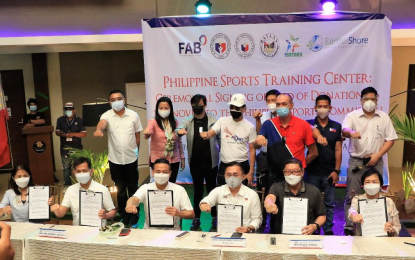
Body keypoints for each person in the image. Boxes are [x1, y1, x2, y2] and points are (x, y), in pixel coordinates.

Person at [342, 86, 398, 236]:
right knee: (351, 195)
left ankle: (377, 224)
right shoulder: (352, 116)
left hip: (376, 160)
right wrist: (352, 133)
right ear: (361, 100)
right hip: (356, 161)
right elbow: (344, 130)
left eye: (373, 99)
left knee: (376, 193)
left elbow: (390, 139)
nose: (369, 102)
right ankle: (349, 226)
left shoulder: (383, 117)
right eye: (366, 99)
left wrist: (377, 155)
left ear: (377, 99)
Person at [94, 89, 142, 227]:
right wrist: (98, 130)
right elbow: (102, 124)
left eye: (119, 99)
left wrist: (136, 151)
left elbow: (137, 137)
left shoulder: (133, 115)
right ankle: (124, 217)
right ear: (109, 102)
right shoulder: (106, 115)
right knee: (120, 190)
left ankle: (134, 216)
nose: (116, 102)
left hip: (131, 158)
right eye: (113, 100)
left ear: (124, 99)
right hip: (115, 160)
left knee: (133, 188)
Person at [176, 94, 220, 231]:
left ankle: (215, 219)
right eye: (194, 105)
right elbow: (179, 129)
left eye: (200, 104)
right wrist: (180, 131)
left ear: (205, 105)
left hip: (211, 163)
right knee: (197, 192)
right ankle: (196, 219)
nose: (197, 107)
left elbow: (219, 135)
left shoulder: (213, 120)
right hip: (195, 164)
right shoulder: (189, 121)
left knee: (212, 191)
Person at [256, 94, 318, 183]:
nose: (281, 107)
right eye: (278, 104)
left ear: (291, 105)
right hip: (274, 176)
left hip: (296, 175)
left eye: (284, 104)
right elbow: (256, 146)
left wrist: (299, 167)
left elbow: (314, 153)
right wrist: (258, 139)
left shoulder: (303, 125)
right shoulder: (268, 124)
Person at [305, 95, 342, 235]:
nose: (322, 109)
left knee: (329, 204)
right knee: (311, 203)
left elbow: (338, 150)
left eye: (325, 106)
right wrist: (318, 135)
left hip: (329, 173)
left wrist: (336, 171)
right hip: (311, 172)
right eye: (319, 106)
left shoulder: (336, 126)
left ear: (330, 108)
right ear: (315, 108)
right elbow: (307, 128)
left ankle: (327, 231)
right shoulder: (308, 123)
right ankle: (312, 230)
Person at [201, 93, 256, 187]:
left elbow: (252, 150)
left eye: (237, 107)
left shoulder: (250, 126)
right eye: (231, 107)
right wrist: (206, 134)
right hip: (224, 165)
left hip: (242, 165)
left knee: (242, 195)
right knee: (222, 194)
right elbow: (211, 133)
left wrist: (251, 172)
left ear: (244, 109)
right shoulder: (222, 121)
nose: (233, 110)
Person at [125, 159, 194, 230]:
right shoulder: (145, 188)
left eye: (165, 172)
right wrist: (129, 204)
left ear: (170, 173)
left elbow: (191, 214)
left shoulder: (179, 190)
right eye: (158, 172)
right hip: (149, 232)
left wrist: (178, 213)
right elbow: (134, 199)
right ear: (153, 172)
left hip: (172, 233)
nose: (161, 174)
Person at [264, 158, 326, 234]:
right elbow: (270, 197)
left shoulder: (313, 191)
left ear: (302, 172)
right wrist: (270, 204)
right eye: (287, 172)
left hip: (306, 236)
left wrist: (315, 226)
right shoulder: (277, 187)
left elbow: (322, 215)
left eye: (295, 171)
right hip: (281, 236)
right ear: (283, 173)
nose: (291, 174)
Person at [49, 157, 116, 225]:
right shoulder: (71, 190)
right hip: (78, 230)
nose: (81, 173)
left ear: (91, 172)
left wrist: (105, 215)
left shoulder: (102, 189)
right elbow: (61, 214)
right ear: (74, 173)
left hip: (98, 230)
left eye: (84, 171)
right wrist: (55, 209)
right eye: (78, 171)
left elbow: (113, 212)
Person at [200, 162, 262, 233]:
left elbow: (257, 219)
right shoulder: (218, 191)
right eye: (228, 175)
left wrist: (249, 228)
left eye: (235, 175)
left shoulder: (252, 194)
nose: (232, 178)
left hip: (245, 235)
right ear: (224, 176)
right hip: (222, 235)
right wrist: (204, 204)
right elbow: (207, 200)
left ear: (243, 176)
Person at [143, 96, 185, 183]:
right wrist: (147, 133)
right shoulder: (153, 122)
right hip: (158, 160)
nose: (163, 110)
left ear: (170, 109)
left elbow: (178, 142)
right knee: (160, 185)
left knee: (171, 184)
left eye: (166, 108)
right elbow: (149, 131)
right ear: (157, 109)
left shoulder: (175, 122)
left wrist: (182, 158)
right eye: (161, 108)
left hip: (174, 159)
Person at [348, 168, 401, 236]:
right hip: (363, 242)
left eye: (374, 182)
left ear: (380, 185)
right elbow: (352, 210)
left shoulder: (389, 202)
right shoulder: (357, 199)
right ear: (363, 185)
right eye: (367, 182)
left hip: (385, 242)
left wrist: (391, 229)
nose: (371, 185)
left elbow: (397, 227)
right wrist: (354, 215)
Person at [55, 102, 87, 188]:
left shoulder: (79, 120)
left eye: (70, 109)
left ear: (74, 110)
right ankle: (68, 186)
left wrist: (73, 134)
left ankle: (81, 184)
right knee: (66, 168)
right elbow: (57, 131)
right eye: (66, 110)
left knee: (79, 167)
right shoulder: (60, 120)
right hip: (65, 148)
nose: (68, 111)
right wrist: (61, 134)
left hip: (77, 148)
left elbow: (84, 134)